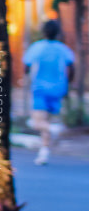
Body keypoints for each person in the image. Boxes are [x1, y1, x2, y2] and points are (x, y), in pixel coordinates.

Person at [24, 19, 75, 165]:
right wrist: (68, 83)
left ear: (43, 32)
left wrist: (27, 78)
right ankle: (44, 154)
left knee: (37, 122)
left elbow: (26, 66)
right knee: (47, 121)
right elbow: (72, 67)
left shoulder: (37, 47)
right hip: (58, 88)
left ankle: (54, 129)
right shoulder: (63, 49)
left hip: (40, 88)